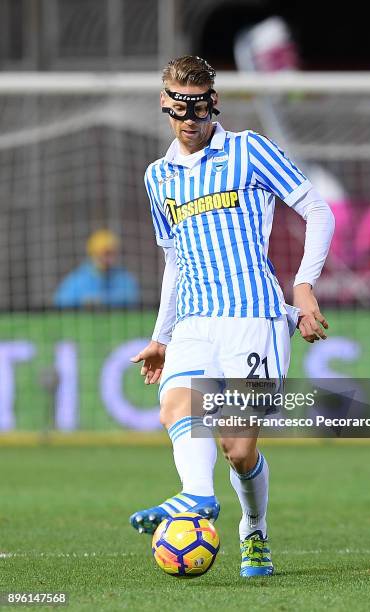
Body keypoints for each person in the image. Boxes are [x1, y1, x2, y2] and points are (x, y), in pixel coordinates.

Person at [130, 56, 335, 577]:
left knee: (238, 449)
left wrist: (304, 286)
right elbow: (175, 261)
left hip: (254, 316)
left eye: (199, 106)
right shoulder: (159, 178)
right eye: (180, 107)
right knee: (176, 404)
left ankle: (254, 529)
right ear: (166, 107)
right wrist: (161, 337)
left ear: (213, 103)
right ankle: (197, 497)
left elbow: (317, 209)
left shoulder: (248, 150)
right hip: (195, 321)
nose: (190, 117)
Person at [53, 229, 139, 308]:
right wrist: (83, 302)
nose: (111, 259)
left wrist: (101, 301)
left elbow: (132, 297)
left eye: (114, 253)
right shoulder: (78, 279)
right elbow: (59, 301)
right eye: (106, 253)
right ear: (93, 253)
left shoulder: (123, 278)